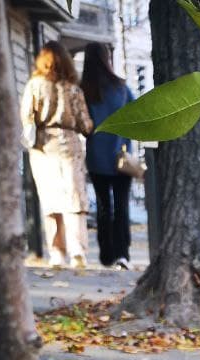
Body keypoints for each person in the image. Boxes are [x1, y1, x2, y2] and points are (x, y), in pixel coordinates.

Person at [21, 42, 93, 268]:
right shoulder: (73, 89)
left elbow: (26, 116)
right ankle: (78, 251)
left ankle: (57, 253)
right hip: (69, 145)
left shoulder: (34, 85)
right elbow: (85, 124)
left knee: (50, 200)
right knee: (74, 198)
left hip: (43, 147)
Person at [80, 43, 135, 270]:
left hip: (97, 157)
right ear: (107, 58)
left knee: (103, 207)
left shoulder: (84, 90)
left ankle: (106, 255)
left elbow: (83, 125)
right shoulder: (121, 87)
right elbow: (135, 114)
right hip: (121, 157)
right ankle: (123, 254)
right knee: (122, 206)